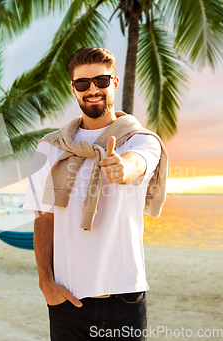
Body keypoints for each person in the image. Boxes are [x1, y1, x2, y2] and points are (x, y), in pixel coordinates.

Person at [22, 47, 168, 340]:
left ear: (114, 83)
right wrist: (46, 284)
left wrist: (122, 168)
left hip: (125, 300)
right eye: (82, 83)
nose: (92, 89)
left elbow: (138, 163)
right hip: (67, 301)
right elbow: (43, 219)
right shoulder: (49, 148)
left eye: (101, 81)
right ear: (73, 88)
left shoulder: (141, 141)